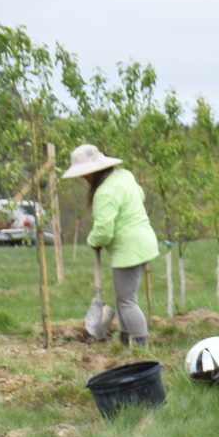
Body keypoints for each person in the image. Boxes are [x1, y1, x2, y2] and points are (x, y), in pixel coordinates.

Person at [62, 144, 159, 346]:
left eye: (85, 174)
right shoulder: (124, 175)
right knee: (123, 298)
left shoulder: (104, 193)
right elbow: (139, 196)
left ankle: (143, 349)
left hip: (129, 249)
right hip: (144, 240)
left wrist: (92, 240)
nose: (84, 178)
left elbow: (104, 231)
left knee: (127, 301)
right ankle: (125, 342)